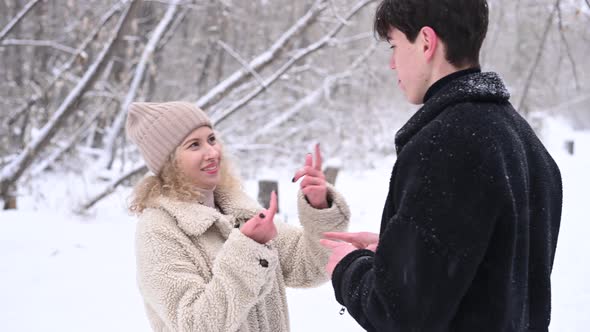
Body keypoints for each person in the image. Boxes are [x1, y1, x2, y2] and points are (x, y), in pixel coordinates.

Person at [320, 0, 563, 331]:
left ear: (425, 42)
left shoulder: (446, 146)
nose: (392, 64)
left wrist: (347, 268)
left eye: (394, 46)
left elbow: (398, 313)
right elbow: (488, 271)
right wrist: (398, 252)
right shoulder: (524, 142)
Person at [125, 101, 350, 332]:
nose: (212, 152)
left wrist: (319, 206)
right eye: (194, 145)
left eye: (212, 139)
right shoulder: (158, 230)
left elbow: (310, 266)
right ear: (169, 162)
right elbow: (196, 324)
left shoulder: (236, 208)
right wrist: (248, 248)